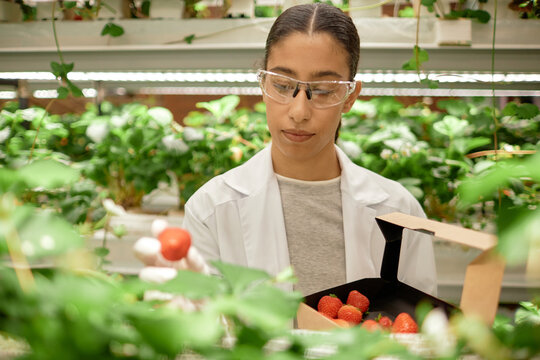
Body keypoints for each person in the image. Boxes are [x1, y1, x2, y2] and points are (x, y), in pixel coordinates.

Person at [181, 3, 437, 297]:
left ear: (350, 96)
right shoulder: (210, 210)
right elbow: (201, 326)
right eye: (281, 85)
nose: (299, 111)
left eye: (325, 89)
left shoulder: (399, 211)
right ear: (263, 83)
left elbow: (421, 332)